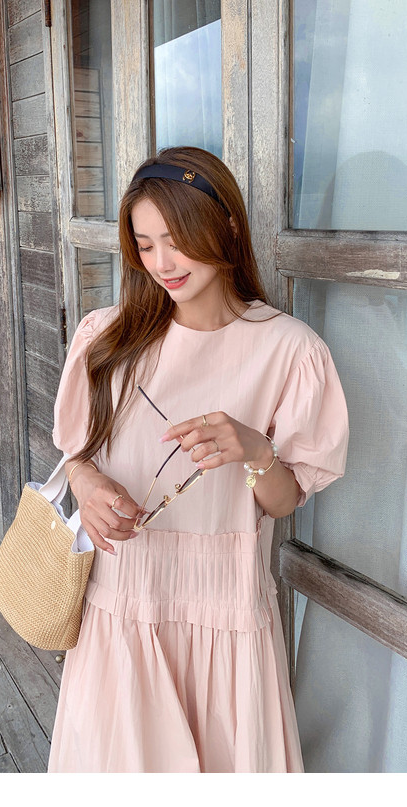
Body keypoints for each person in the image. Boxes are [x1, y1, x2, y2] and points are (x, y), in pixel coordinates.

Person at [47, 147, 349, 772]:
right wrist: (87, 482)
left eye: (176, 240)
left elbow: (284, 501)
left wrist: (256, 450)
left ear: (227, 227)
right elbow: (75, 452)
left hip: (227, 616)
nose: (162, 263)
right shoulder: (108, 338)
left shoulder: (289, 351)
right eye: (145, 245)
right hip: (123, 604)